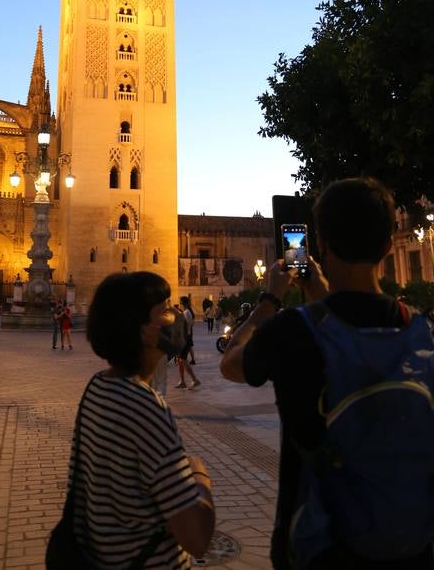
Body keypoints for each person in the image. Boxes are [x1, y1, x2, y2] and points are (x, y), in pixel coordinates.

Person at [220, 177, 434, 570]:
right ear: (389, 244)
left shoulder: (295, 332)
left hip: (321, 550)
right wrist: (320, 294)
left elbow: (230, 362)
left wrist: (270, 298)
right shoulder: (419, 330)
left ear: (319, 243)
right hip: (410, 547)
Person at [67, 271, 214, 566]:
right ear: (142, 330)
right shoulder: (147, 410)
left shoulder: (97, 387)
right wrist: (200, 476)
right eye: (165, 310)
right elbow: (196, 538)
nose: (176, 315)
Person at [175, 297, 200, 389]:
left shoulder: (186, 313)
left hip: (184, 339)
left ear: (183, 304)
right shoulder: (188, 313)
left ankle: (194, 380)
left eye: (180, 303)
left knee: (183, 361)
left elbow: (183, 328)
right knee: (180, 361)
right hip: (186, 338)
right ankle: (183, 381)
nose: (179, 304)